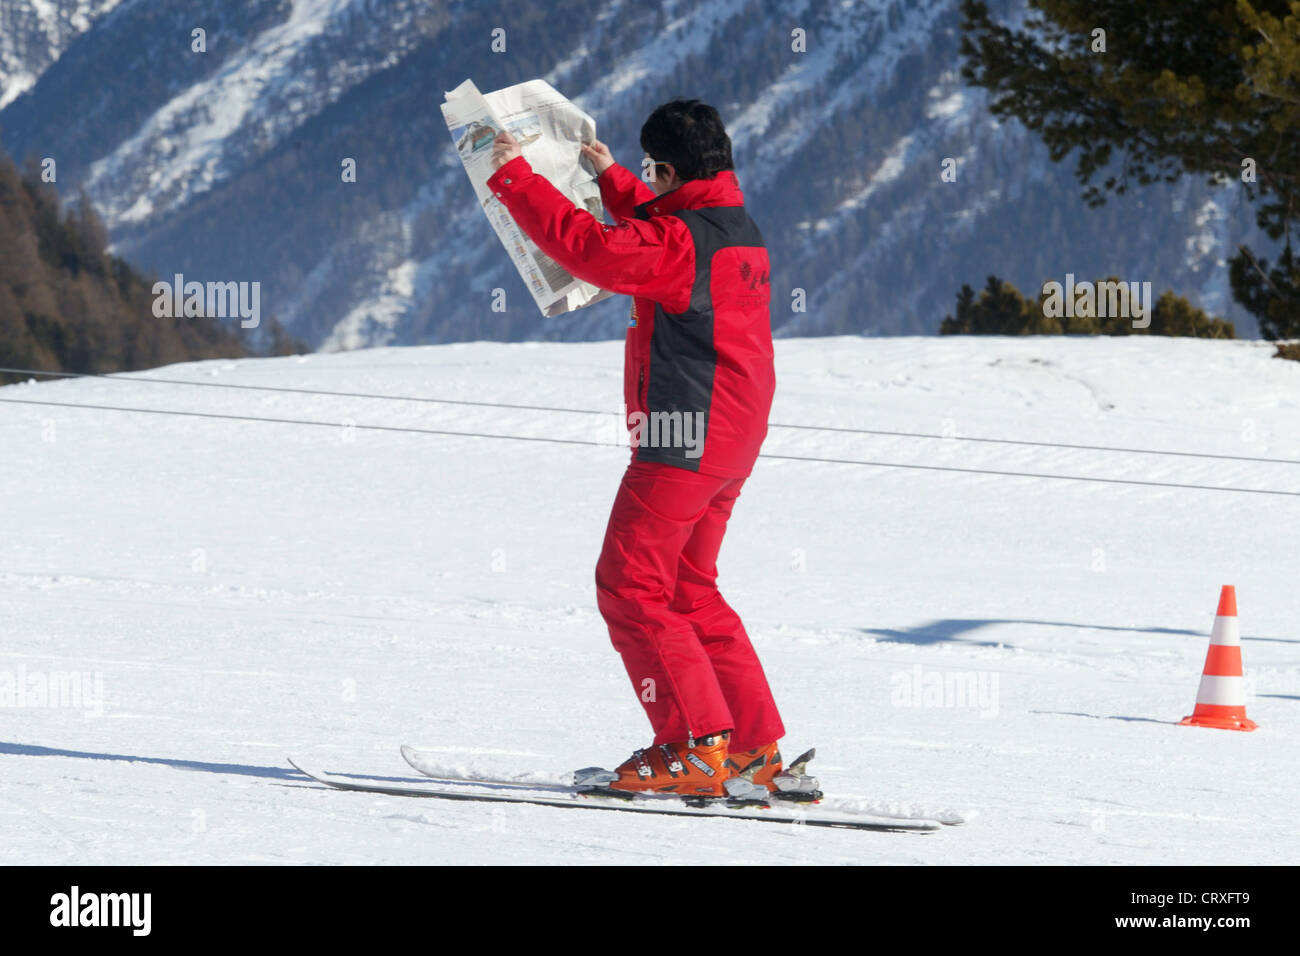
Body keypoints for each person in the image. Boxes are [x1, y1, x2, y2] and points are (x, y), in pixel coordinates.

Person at [485, 99, 784, 797]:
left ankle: (692, 746)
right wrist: (612, 176)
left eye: (653, 172)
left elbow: (594, 251)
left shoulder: (680, 244)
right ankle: (750, 749)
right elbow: (665, 225)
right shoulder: (736, 227)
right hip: (732, 438)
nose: (646, 182)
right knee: (688, 588)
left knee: (630, 583)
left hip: (684, 437)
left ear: (671, 168)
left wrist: (513, 177)